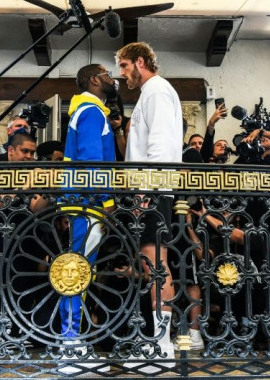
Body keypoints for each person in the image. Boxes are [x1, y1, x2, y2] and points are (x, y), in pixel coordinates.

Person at [116, 42, 182, 364]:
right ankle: (158, 341)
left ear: (140, 62)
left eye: (125, 67)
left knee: (157, 266)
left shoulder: (156, 90)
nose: (122, 75)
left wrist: (146, 190)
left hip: (152, 190)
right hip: (150, 189)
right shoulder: (151, 92)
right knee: (152, 264)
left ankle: (162, 346)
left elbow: (161, 141)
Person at [59, 64, 118, 345]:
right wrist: (106, 199)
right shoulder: (92, 112)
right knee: (78, 269)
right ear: (95, 80)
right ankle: (69, 341)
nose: (113, 78)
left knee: (78, 267)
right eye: (108, 74)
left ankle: (71, 338)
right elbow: (92, 161)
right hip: (88, 203)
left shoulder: (84, 111)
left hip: (81, 201)